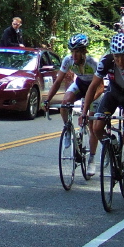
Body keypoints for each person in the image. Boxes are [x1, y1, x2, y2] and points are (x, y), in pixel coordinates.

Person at [80, 33, 124, 195]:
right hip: (112, 95)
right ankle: (110, 143)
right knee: (97, 128)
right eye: (117, 57)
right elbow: (93, 87)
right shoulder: (106, 61)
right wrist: (84, 112)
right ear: (113, 55)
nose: (120, 61)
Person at [43, 34, 102, 174]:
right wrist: (48, 99)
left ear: (84, 52)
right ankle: (68, 129)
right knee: (64, 104)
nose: (74, 55)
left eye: (77, 52)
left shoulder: (93, 63)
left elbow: (101, 87)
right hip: (81, 85)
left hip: (95, 89)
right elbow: (58, 82)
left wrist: (86, 107)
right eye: (72, 51)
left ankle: (92, 160)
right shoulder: (68, 60)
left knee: (92, 125)